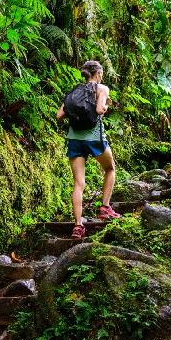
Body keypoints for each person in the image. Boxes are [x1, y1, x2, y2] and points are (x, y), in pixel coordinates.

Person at [56, 60, 121, 239]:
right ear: (98, 74)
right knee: (110, 168)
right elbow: (100, 109)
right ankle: (105, 208)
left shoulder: (75, 90)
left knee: (78, 183)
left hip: (74, 139)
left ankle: (78, 226)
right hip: (94, 138)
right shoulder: (102, 89)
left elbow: (59, 115)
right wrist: (106, 105)